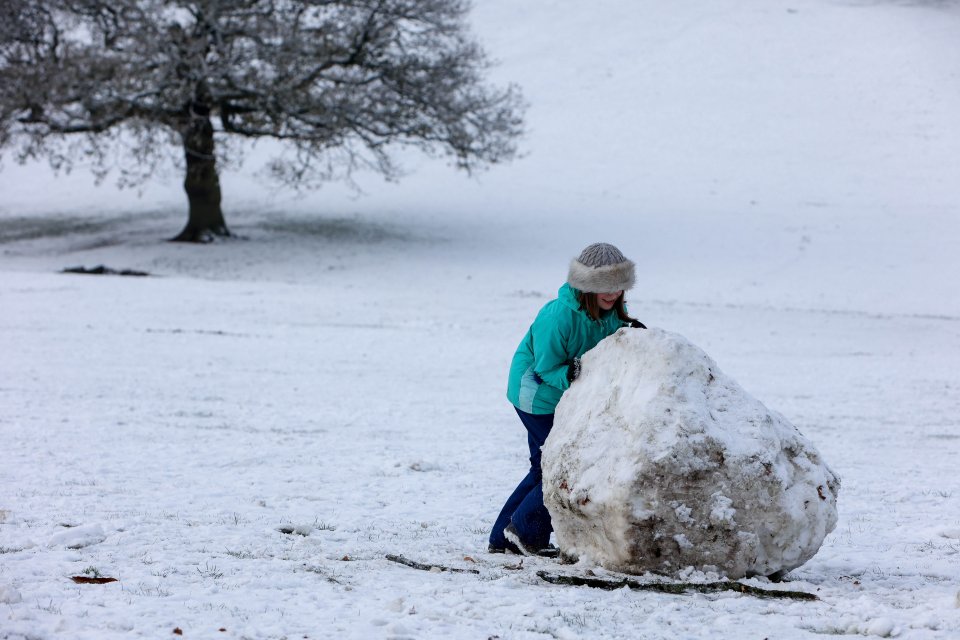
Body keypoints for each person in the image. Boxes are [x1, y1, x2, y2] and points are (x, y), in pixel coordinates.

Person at [489, 242, 646, 556]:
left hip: (564, 396)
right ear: (588, 286)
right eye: (605, 286)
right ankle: (524, 531)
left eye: (619, 287)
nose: (613, 294)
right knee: (559, 466)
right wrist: (575, 373)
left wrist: (629, 332)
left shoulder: (608, 310)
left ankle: (504, 538)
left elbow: (606, 336)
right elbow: (547, 367)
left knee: (542, 467)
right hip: (536, 395)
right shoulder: (558, 316)